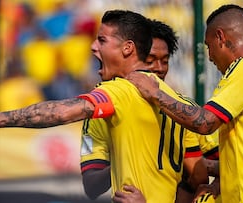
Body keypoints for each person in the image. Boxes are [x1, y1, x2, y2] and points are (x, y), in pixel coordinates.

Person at [0, 10, 208, 203]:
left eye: (102, 40)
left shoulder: (118, 91)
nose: (94, 47)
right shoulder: (179, 103)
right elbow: (197, 176)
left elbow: (62, 112)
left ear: (127, 48)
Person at [126, 4, 243, 203]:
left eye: (209, 46)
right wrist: (217, 183)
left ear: (220, 37)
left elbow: (204, 122)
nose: (209, 57)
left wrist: (155, 93)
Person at [80, 19, 219, 203]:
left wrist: (209, 185)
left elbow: (209, 172)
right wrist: (123, 156)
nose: (158, 68)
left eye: (165, 61)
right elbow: (91, 186)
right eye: (150, 60)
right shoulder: (99, 112)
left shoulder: (186, 110)